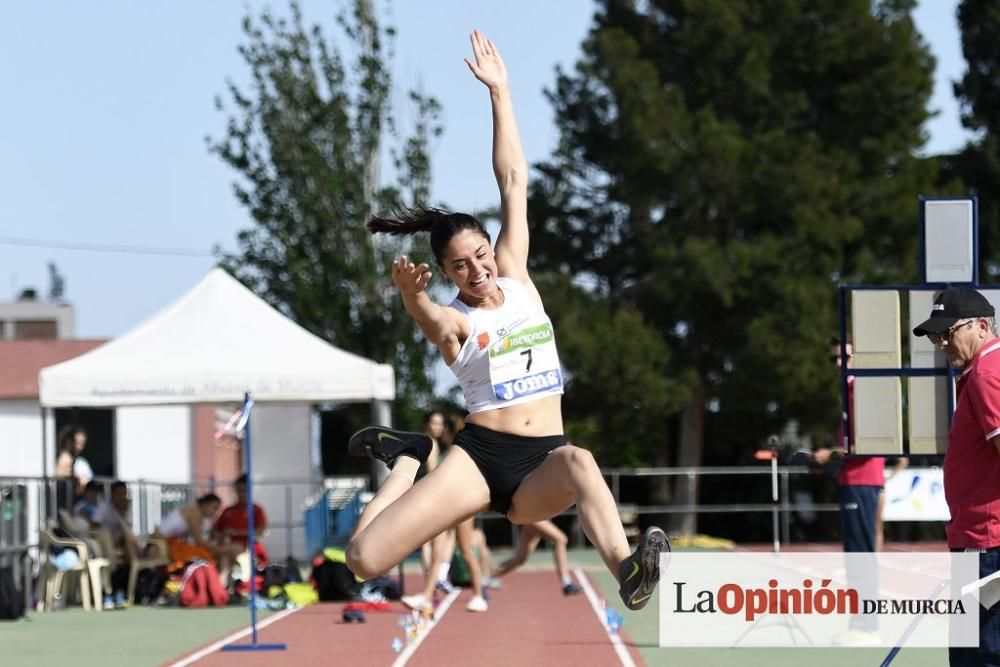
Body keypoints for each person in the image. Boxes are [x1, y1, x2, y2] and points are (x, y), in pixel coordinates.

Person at [345, 30, 669, 614]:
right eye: (460, 266)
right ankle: (409, 459)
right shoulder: (458, 320)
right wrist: (410, 298)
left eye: (481, 255)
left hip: (541, 462)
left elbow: (513, 180)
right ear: (446, 273)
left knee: (581, 461)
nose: (478, 269)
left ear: (492, 250)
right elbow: (432, 322)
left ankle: (628, 570)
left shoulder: (517, 276)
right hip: (479, 457)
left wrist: (501, 92)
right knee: (364, 559)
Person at [912, 286, 1000, 666]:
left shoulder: (986, 374)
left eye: (949, 332)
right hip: (978, 541)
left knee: (979, 655)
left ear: (981, 326)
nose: (941, 342)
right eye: (936, 335)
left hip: (987, 544)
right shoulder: (979, 372)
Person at [813, 337, 887, 645]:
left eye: (845, 357)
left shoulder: (861, 391)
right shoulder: (851, 392)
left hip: (862, 480)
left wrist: (829, 455)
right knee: (855, 556)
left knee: (861, 556)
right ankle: (860, 622)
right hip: (853, 480)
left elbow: (869, 441)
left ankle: (867, 627)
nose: (839, 365)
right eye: (834, 359)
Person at [408, 411, 489, 613]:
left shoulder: (461, 451)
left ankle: (479, 594)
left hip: (461, 502)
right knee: (437, 551)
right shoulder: (449, 449)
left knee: (467, 550)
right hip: (447, 503)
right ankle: (427, 596)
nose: (441, 430)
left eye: (444, 427)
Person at [158, 494, 242, 577]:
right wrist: (225, 549)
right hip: (162, 542)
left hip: (169, 542)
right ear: (205, 505)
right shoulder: (195, 513)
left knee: (210, 554)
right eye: (214, 508)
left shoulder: (199, 515)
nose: (215, 512)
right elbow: (199, 541)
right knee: (205, 556)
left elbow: (202, 538)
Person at [494, 520, 583, 595]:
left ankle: (487, 577)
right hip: (534, 517)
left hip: (535, 518)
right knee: (561, 539)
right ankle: (566, 583)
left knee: (520, 558)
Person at [214, 473, 269, 566]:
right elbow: (216, 529)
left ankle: (213, 552)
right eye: (239, 491)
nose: (241, 494)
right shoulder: (228, 510)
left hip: (246, 547)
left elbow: (260, 531)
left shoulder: (256, 509)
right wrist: (221, 535)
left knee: (225, 554)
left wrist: (237, 532)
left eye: (244, 491)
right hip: (227, 546)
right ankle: (221, 579)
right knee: (224, 556)